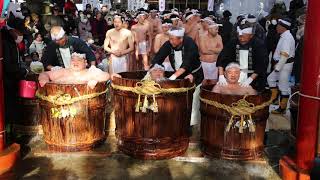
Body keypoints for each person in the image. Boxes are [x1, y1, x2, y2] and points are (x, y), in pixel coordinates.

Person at [152, 27, 204, 126]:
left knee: (193, 103)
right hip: (179, 77)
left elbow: (187, 63)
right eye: (169, 38)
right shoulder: (169, 44)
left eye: (172, 39)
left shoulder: (190, 44)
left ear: (180, 39)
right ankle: (179, 123)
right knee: (179, 102)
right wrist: (152, 71)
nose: (170, 41)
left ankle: (193, 127)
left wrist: (173, 77)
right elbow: (158, 58)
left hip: (194, 75)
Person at [216, 21, 268, 92]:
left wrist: (250, 79)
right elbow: (222, 58)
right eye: (239, 36)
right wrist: (221, 76)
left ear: (251, 35)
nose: (241, 39)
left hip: (254, 76)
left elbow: (262, 64)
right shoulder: (233, 42)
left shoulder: (259, 45)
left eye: (244, 36)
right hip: (235, 75)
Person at [267, 18, 295, 114]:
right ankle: (274, 98)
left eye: (278, 26)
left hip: (284, 65)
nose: (277, 28)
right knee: (270, 79)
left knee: (283, 86)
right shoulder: (284, 36)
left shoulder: (287, 38)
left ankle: (282, 108)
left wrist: (278, 67)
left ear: (283, 27)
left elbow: (285, 55)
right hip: (281, 64)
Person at [39, 53, 110, 89]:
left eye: (79, 60)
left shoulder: (91, 71)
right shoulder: (63, 71)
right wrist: (44, 80)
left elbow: (106, 75)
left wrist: (95, 79)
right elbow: (44, 74)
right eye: (73, 60)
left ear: (85, 63)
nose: (75, 62)